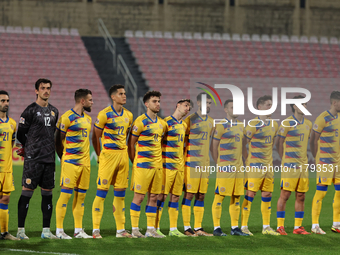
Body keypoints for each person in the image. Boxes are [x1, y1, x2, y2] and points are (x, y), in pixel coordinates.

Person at [16, 78, 59, 239]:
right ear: (36, 91)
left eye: (48, 88)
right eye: (42, 88)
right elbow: (21, 133)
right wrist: (28, 147)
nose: (46, 91)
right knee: (27, 192)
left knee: (48, 194)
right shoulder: (30, 111)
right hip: (33, 159)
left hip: (49, 159)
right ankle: (21, 230)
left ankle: (46, 231)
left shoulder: (55, 111)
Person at [91, 84, 133, 238]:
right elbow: (95, 136)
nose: (124, 96)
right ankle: (96, 229)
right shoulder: (104, 114)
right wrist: (100, 155)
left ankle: (120, 230)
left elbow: (128, 136)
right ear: (113, 97)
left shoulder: (129, 115)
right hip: (108, 156)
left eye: (125, 93)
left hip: (123, 156)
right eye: (121, 94)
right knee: (101, 193)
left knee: (120, 194)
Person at [55, 89, 93, 239]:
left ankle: (78, 231)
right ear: (82, 101)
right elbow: (58, 141)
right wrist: (64, 158)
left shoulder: (88, 119)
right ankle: (59, 231)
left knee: (81, 197)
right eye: (90, 100)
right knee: (65, 196)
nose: (92, 102)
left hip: (85, 164)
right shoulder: (67, 117)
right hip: (70, 163)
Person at [128, 91, 166, 238]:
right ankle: (135, 230)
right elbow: (131, 144)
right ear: (147, 104)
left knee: (154, 197)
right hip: (142, 166)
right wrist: (135, 162)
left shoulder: (162, 124)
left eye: (159, 101)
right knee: (139, 197)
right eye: (154, 101)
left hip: (157, 167)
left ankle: (151, 230)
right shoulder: (140, 122)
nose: (158, 104)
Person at [241, 95, 279, 236]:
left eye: (272, 105)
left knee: (267, 194)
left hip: (268, 167)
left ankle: (266, 227)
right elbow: (243, 144)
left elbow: (272, 143)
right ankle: (244, 226)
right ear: (260, 107)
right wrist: (248, 160)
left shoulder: (274, 125)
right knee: (250, 194)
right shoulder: (253, 124)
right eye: (268, 105)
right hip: (254, 167)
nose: (271, 107)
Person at [211, 99, 248, 236]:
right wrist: (218, 163)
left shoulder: (240, 125)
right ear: (226, 110)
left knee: (236, 196)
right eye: (232, 107)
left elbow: (243, 145)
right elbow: (213, 146)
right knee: (220, 196)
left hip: (239, 168)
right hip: (225, 168)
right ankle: (216, 228)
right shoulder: (221, 126)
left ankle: (234, 228)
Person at [155, 99, 192, 237]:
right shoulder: (166, 122)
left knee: (175, 197)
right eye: (185, 105)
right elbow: (157, 142)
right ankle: (155, 228)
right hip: (166, 166)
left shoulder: (183, 125)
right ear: (177, 105)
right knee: (162, 196)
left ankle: (173, 229)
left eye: (189, 107)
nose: (187, 108)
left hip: (179, 167)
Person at [276, 95, 312, 235]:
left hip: (303, 166)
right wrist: (283, 158)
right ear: (295, 106)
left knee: (301, 195)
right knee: (285, 195)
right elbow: (279, 142)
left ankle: (298, 227)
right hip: (289, 166)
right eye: (302, 104)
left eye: (306, 104)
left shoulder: (308, 124)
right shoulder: (287, 123)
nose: (305, 106)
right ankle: (280, 226)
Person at [181, 93, 214, 236]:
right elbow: (181, 141)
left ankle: (198, 228)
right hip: (191, 163)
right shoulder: (190, 120)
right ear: (199, 103)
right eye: (206, 103)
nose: (208, 105)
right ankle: (187, 228)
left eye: (210, 103)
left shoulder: (212, 122)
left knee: (201, 195)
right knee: (189, 194)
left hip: (204, 164)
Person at [310, 91, 340, 234]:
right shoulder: (323, 118)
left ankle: (336, 224)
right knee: (321, 192)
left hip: (338, 162)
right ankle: (315, 225)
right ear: (335, 103)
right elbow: (312, 140)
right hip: (325, 162)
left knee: (339, 192)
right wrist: (317, 158)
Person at [0, 91, 20, 240]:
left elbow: (11, 144)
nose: (5, 103)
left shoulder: (13, 124)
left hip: (7, 169)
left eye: (7, 100)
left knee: (5, 199)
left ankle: (4, 232)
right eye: (2, 101)